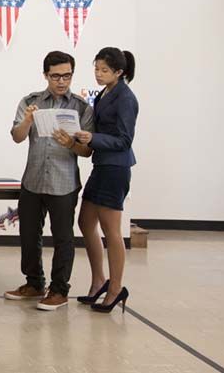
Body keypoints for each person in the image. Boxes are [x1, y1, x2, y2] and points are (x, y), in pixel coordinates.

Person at [5, 51, 93, 311]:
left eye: (67, 76)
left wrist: (72, 144)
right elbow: (17, 136)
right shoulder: (30, 101)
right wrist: (29, 119)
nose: (62, 81)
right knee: (29, 234)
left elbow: (87, 151)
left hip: (63, 182)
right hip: (33, 179)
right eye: (56, 76)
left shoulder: (81, 107)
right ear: (46, 75)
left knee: (63, 237)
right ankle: (34, 283)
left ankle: (59, 290)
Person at [73, 48, 138, 313]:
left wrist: (93, 139)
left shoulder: (125, 97)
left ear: (119, 72)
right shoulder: (106, 92)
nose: (98, 74)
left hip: (115, 168)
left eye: (104, 70)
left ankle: (115, 288)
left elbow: (124, 139)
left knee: (112, 231)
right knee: (85, 221)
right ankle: (99, 280)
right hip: (102, 166)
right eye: (96, 69)